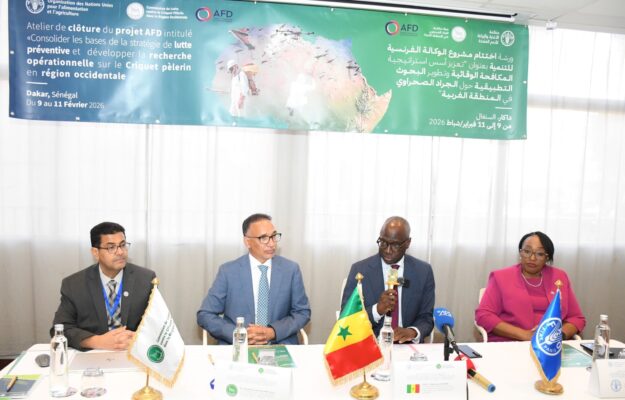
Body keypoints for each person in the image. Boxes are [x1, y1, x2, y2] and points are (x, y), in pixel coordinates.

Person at [197, 213, 311, 345]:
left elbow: (302, 312)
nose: (271, 243)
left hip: (279, 342)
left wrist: (273, 332)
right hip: (239, 344)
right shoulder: (228, 271)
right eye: (264, 238)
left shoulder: (290, 270)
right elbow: (205, 315)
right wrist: (239, 334)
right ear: (247, 242)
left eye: (274, 236)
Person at [51, 222, 156, 351]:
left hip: (132, 351)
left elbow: (157, 324)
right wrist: (97, 341)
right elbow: (60, 328)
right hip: (93, 354)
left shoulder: (146, 279)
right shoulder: (74, 284)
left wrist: (136, 338)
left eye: (123, 245)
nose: (120, 252)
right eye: (111, 247)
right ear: (95, 252)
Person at [475, 231, 586, 342]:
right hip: (510, 342)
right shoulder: (500, 277)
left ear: (547, 257)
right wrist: (525, 335)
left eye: (540, 254)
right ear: (520, 253)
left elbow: (576, 318)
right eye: (527, 251)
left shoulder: (559, 277)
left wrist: (558, 335)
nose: (532, 258)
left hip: (551, 344)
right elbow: (484, 315)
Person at [341, 216, 435, 342]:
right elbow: (346, 319)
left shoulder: (423, 271)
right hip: (371, 344)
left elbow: (426, 317)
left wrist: (412, 332)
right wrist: (377, 310)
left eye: (395, 245)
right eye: (383, 242)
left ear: (407, 243)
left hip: (407, 345)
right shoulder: (360, 270)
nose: (388, 250)